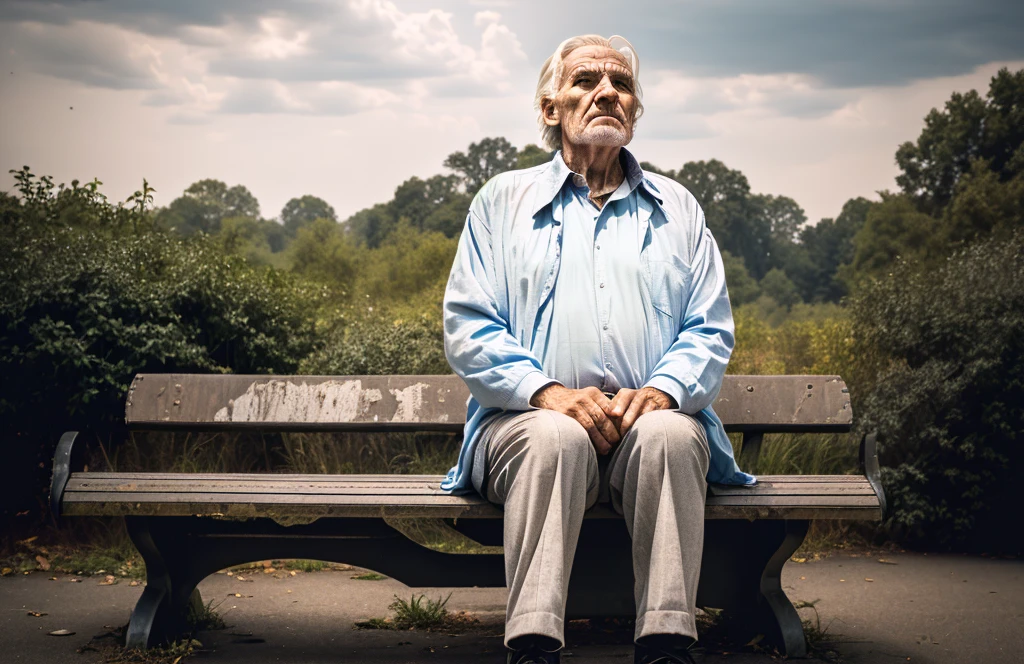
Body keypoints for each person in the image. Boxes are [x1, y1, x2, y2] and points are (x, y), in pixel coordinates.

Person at [441, 34, 755, 664]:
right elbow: (469, 326)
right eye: (586, 80)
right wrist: (547, 394)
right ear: (551, 106)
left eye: (622, 83)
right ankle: (532, 642)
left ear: (634, 112)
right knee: (554, 437)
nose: (608, 92)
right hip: (527, 426)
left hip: (649, 427)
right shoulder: (500, 203)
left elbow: (709, 328)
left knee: (669, 434)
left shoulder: (680, 209)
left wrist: (665, 390)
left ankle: (666, 641)